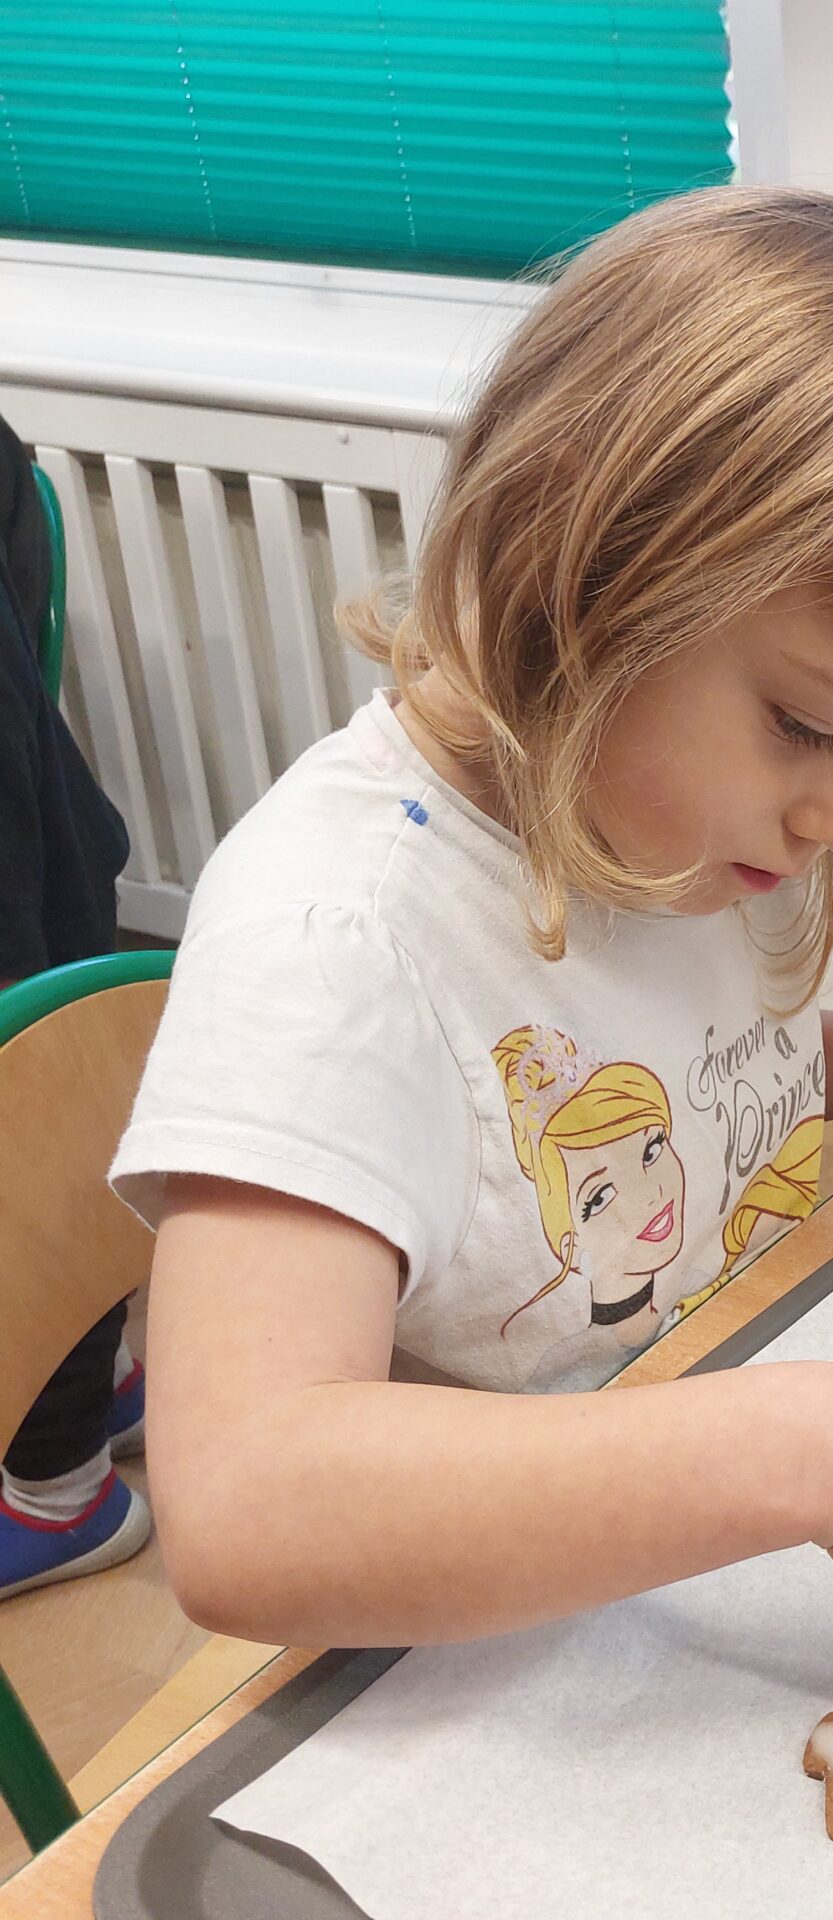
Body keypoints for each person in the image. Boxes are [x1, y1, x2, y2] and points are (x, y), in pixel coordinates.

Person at [109, 188, 833, 1652]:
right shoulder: (337, 941)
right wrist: (815, 1450)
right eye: (810, 727)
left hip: (693, 1548)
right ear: (569, 545)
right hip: (490, 1664)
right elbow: (248, 1509)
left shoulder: (660, 832)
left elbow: (680, 1082)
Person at [0, 412, 150, 1600]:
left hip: (31, 938)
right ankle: (93, 1395)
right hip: (48, 891)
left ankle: (58, 1485)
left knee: (36, 1113)